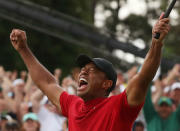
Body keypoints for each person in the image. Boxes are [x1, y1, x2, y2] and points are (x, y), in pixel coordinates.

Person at [9, 13, 170, 131]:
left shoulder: (119, 107)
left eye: (91, 70)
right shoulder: (74, 105)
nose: (83, 73)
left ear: (106, 84)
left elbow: (143, 77)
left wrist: (156, 43)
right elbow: (47, 83)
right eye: (82, 70)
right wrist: (23, 50)